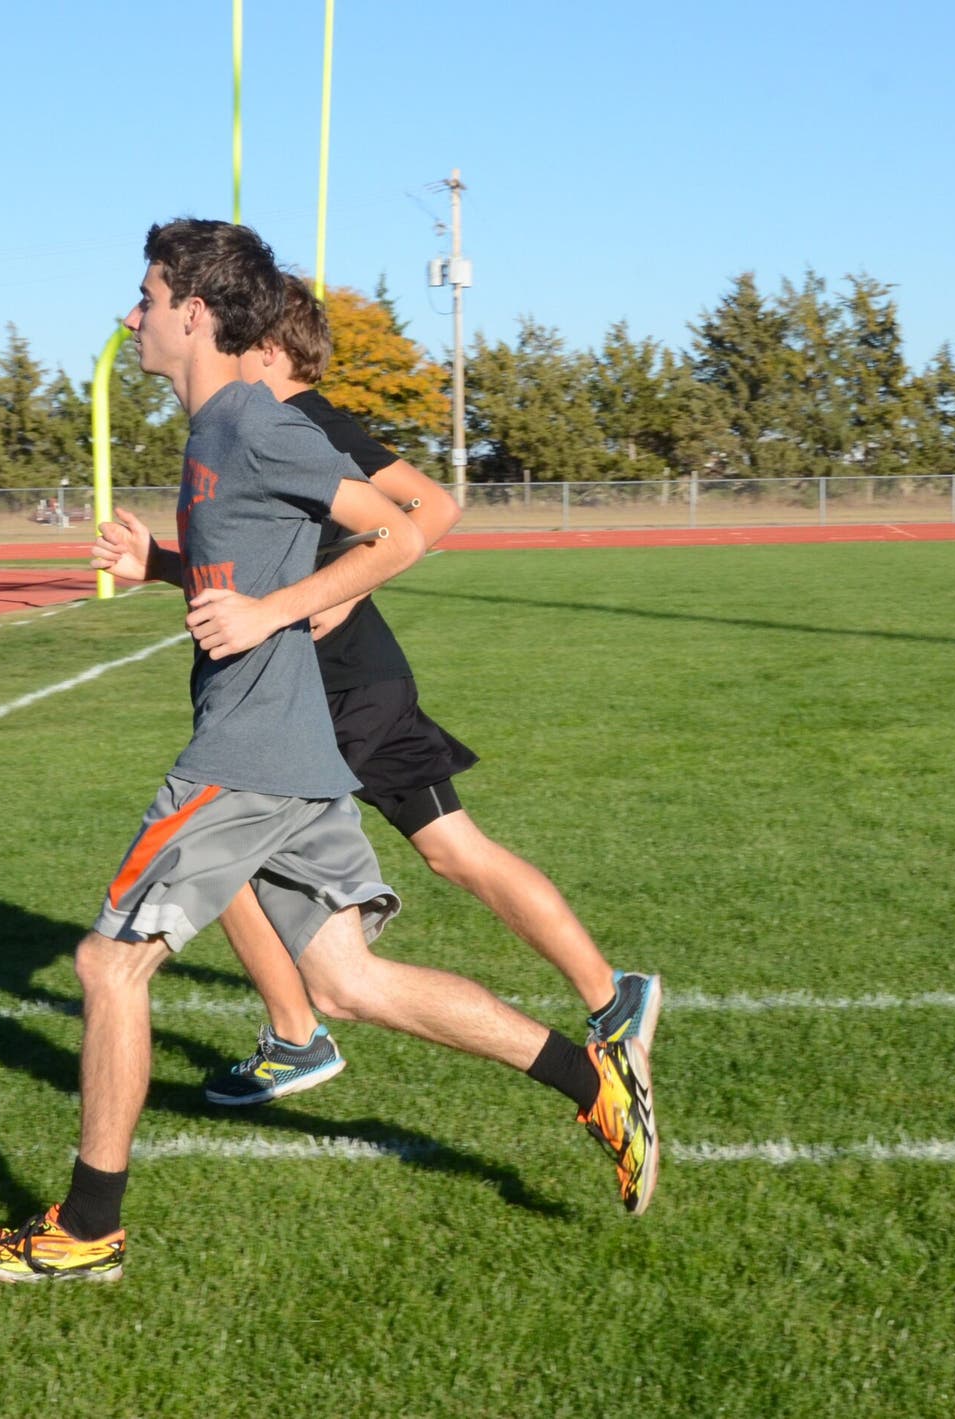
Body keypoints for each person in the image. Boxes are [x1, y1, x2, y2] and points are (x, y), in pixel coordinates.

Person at [0, 220, 655, 1286]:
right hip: (295, 755)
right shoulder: (214, 431)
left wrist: (279, 608)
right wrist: (161, 570)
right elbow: (251, 563)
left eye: (143, 296)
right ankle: (594, 1083)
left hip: (247, 756)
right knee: (351, 986)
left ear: (194, 311)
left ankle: (88, 1229)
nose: (127, 317)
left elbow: (400, 531)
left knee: (108, 963)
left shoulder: (254, 425)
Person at [189, 277, 661, 1111]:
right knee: (453, 847)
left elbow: (430, 508)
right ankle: (613, 996)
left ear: (267, 348)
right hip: (359, 682)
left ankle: (296, 1038)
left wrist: (337, 593)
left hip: (336, 691)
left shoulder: (303, 422)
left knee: (216, 853)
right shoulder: (280, 427)